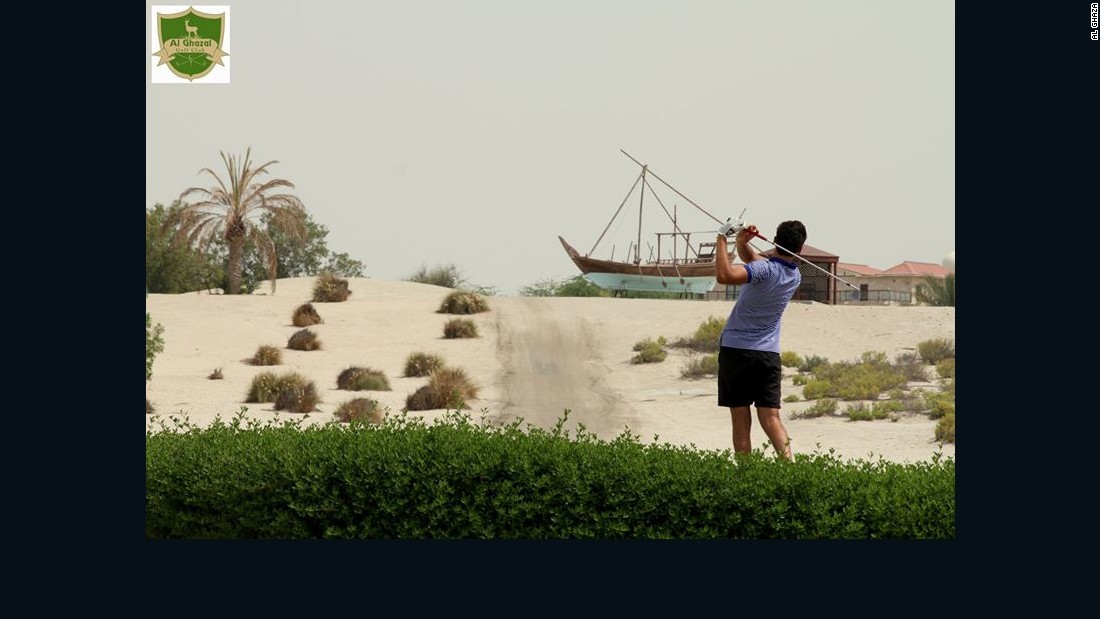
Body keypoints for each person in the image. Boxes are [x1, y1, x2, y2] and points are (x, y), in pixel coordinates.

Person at [713, 220, 807, 460]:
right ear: (800, 250)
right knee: (771, 417)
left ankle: (746, 473)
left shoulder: (765, 270)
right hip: (768, 355)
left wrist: (722, 239)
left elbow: (725, 275)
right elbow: (753, 261)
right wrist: (742, 242)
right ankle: (790, 468)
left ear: (775, 241)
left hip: (736, 350)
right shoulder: (794, 275)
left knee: (740, 413)